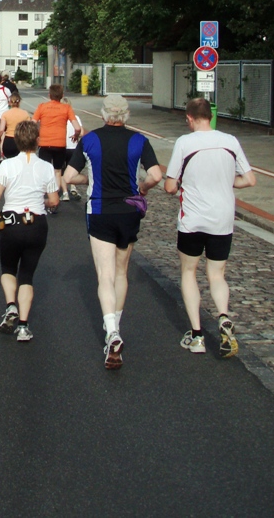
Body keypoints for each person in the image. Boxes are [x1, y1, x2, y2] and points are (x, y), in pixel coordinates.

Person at [63, 94, 162, 369]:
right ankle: (115, 329)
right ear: (126, 115)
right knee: (121, 272)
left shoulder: (91, 139)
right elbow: (155, 175)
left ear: (105, 115)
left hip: (100, 211)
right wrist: (141, 188)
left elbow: (68, 177)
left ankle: (111, 332)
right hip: (129, 210)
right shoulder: (139, 140)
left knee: (104, 275)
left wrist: (89, 179)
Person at [164, 97, 256, 357]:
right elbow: (249, 179)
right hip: (222, 219)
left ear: (189, 118)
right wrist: (227, 182)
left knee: (189, 272)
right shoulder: (230, 141)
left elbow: (170, 186)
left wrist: (181, 184)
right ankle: (224, 316)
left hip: (192, 219)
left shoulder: (184, 142)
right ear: (211, 116)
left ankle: (197, 336)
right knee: (217, 274)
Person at [0, 120, 58, 341]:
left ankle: (10, 306)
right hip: (36, 223)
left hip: (10, 222)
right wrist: (39, 200)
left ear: (16, 141)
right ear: (37, 141)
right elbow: (54, 200)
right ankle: (24, 326)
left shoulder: (7, 165)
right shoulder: (46, 167)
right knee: (27, 275)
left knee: (8, 268)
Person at [32, 84, 82, 200]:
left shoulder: (41, 107)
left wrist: (36, 137)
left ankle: (44, 194)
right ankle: (55, 195)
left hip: (45, 143)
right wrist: (76, 135)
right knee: (58, 171)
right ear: (62, 95)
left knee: (44, 169)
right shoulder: (67, 108)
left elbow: (33, 123)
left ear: (49, 95)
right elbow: (78, 127)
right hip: (60, 144)